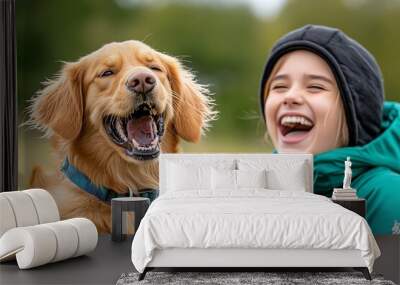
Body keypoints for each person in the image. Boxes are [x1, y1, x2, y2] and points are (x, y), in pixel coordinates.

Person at [259, 24, 400, 235]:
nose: (290, 96)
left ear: (356, 113)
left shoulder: (389, 196)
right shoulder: (260, 190)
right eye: (279, 86)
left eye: (315, 87)